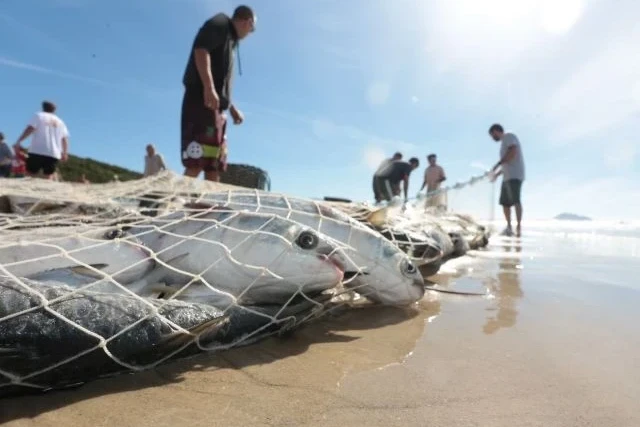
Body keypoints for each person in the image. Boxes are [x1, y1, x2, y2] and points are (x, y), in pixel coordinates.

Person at [180, 5, 256, 182]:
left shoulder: (231, 42)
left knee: (214, 165)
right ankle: (167, 205)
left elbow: (220, 82)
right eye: (252, 28)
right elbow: (201, 50)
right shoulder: (221, 23)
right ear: (248, 22)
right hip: (202, 101)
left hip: (217, 110)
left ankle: (206, 208)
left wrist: (231, 107)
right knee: (197, 160)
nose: (250, 32)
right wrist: (208, 87)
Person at [14, 100, 70, 180]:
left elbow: (30, 128)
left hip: (37, 150)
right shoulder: (60, 122)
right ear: (54, 110)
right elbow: (64, 138)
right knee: (48, 174)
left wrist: (19, 140)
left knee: (30, 173)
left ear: (43, 107)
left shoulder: (39, 115)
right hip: (53, 152)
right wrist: (65, 153)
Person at [488, 123, 526, 237]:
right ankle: (509, 226)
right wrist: (497, 174)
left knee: (515, 200)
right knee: (505, 203)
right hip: (506, 177)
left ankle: (518, 226)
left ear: (497, 131)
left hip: (515, 175)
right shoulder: (503, 144)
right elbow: (506, 165)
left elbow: (513, 152)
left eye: (492, 134)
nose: (492, 137)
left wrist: (497, 164)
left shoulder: (508, 136)